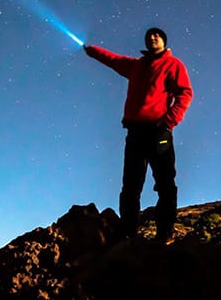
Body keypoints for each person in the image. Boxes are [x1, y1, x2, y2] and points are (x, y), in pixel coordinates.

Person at [83, 27, 193, 244]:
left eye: (157, 36)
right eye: (149, 36)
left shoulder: (173, 64)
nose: (153, 38)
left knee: (165, 183)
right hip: (135, 133)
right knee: (131, 185)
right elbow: (112, 59)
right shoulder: (136, 66)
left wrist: (169, 122)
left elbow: (185, 92)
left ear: (164, 41)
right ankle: (128, 232)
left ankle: (165, 233)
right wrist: (92, 50)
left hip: (159, 132)